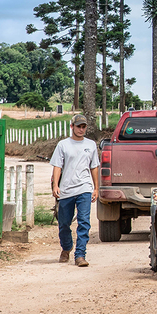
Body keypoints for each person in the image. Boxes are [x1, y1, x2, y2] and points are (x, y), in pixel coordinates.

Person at [50, 114, 99, 267]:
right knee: (64, 223)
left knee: (84, 222)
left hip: (84, 188)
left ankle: (80, 255)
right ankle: (66, 247)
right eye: (78, 126)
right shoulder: (63, 145)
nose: (81, 129)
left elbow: (94, 167)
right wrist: (55, 185)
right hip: (66, 190)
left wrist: (96, 187)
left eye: (83, 126)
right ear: (72, 127)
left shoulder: (91, 145)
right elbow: (57, 166)